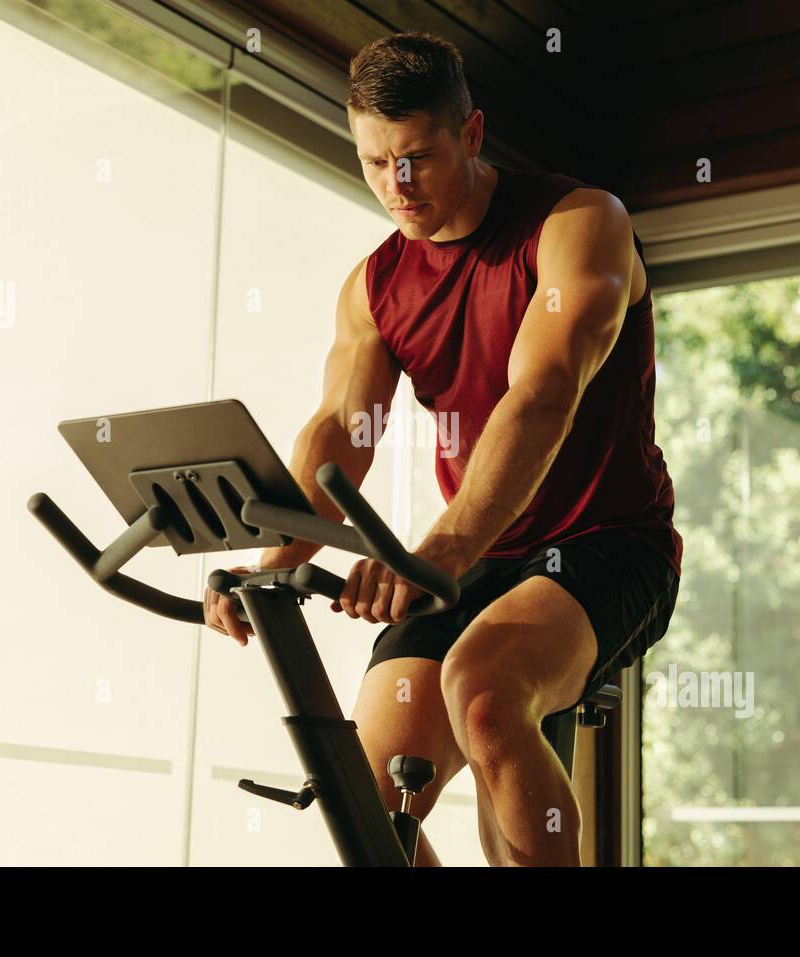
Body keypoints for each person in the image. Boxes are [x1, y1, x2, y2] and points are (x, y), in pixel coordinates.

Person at [203, 31, 682, 867]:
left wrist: (445, 548)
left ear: (470, 133)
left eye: (418, 156)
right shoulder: (376, 285)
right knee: (364, 791)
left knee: (484, 691)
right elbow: (342, 429)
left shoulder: (577, 224)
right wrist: (274, 558)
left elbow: (543, 394)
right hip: (471, 558)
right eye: (375, 162)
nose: (399, 184)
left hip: (606, 543)